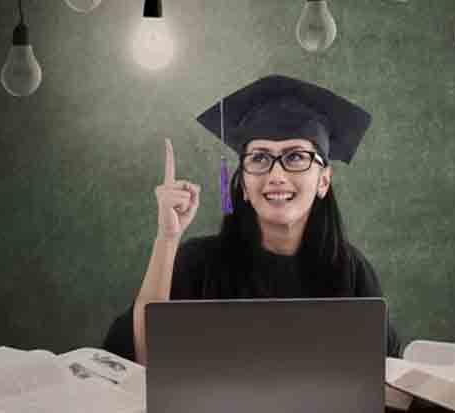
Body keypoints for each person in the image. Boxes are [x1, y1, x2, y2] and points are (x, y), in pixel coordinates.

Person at [103, 74, 401, 365]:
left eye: (296, 157)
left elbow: (387, 382)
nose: (276, 176)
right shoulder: (199, 264)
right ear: (243, 184)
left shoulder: (352, 273)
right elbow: (141, 362)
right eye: (259, 158)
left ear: (324, 180)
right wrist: (167, 239)